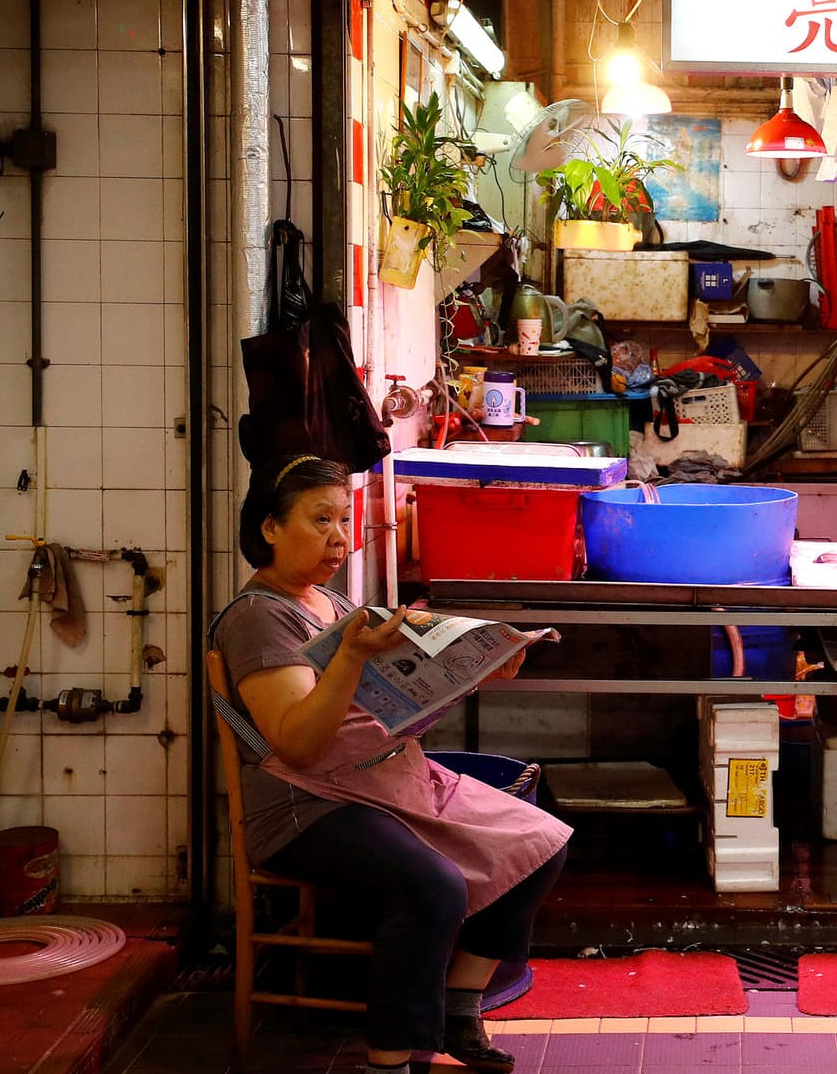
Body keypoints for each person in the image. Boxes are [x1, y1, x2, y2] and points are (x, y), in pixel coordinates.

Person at [211, 454, 571, 1074]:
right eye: (319, 519)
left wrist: (478, 661)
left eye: (343, 520)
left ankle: (460, 1006)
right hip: (309, 807)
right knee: (432, 886)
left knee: (540, 840)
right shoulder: (257, 619)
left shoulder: (326, 601)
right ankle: (389, 1062)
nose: (338, 538)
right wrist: (350, 656)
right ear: (269, 528)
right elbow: (298, 744)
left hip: (384, 780)